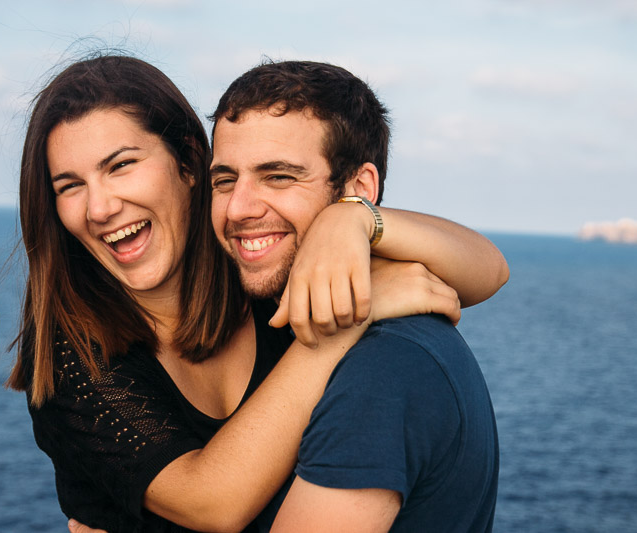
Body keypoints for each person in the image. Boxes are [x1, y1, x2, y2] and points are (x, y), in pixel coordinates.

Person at [7, 54, 507, 533]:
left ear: (186, 164)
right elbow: (213, 503)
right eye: (69, 186)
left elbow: (489, 270)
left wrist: (354, 219)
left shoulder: (259, 268)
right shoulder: (69, 357)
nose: (98, 208)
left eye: (120, 166)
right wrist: (339, 327)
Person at [206, 60, 501, 531]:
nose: (239, 208)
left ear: (359, 189)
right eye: (224, 180)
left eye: (279, 176)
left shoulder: (385, 371)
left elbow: (492, 267)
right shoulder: (270, 313)